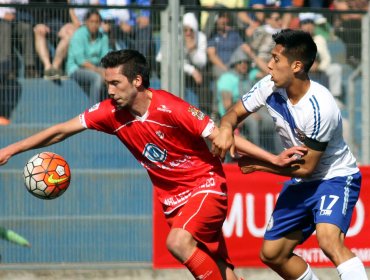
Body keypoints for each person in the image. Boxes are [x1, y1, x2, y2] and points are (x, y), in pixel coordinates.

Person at [0, 48, 304, 279]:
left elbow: (222, 135)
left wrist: (272, 158)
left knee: (177, 242)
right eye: (107, 84)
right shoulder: (109, 112)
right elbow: (60, 131)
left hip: (205, 186)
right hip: (172, 201)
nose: (109, 91)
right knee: (220, 268)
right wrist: (12, 149)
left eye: (116, 83)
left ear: (137, 80)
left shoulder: (171, 108)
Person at [212, 29, 368, 280]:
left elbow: (307, 167)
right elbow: (235, 111)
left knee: (328, 241)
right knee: (273, 254)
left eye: (275, 59)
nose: (269, 64)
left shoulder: (321, 108)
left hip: (334, 177)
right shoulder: (269, 85)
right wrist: (227, 128)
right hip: (301, 181)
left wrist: (261, 165)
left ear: (296, 66)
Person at [66, 8, 110, 105]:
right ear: (86, 22)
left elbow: (106, 57)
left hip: (96, 68)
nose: (94, 24)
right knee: (97, 78)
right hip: (76, 69)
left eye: (97, 22)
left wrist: (106, 71)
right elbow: (81, 62)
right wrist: (99, 70)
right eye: (91, 21)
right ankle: (93, 113)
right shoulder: (78, 35)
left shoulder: (103, 36)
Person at [31, 0, 75, 80]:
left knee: (70, 32)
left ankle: (55, 68)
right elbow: (31, 12)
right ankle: (47, 69)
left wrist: (66, 26)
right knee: (39, 30)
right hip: (40, 23)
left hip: (58, 25)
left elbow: (65, 15)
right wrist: (38, 23)